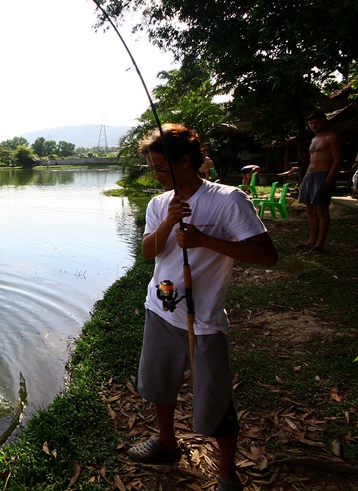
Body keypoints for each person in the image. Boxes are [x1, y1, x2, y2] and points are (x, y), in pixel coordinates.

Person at [127, 124, 278, 491]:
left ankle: (228, 474)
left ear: (183, 161)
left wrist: (203, 240)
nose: (156, 175)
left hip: (205, 321)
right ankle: (166, 441)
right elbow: (150, 252)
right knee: (160, 385)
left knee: (216, 397)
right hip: (160, 310)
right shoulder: (159, 204)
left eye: (160, 168)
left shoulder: (228, 200)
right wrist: (169, 221)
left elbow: (266, 255)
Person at [297, 111, 342, 253]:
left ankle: (320, 243)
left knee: (321, 209)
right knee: (310, 209)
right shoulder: (314, 140)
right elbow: (312, 160)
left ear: (324, 121)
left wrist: (329, 178)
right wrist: (305, 176)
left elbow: (338, 159)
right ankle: (311, 240)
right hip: (310, 175)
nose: (313, 125)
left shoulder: (332, 136)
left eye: (316, 122)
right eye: (311, 123)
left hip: (323, 175)